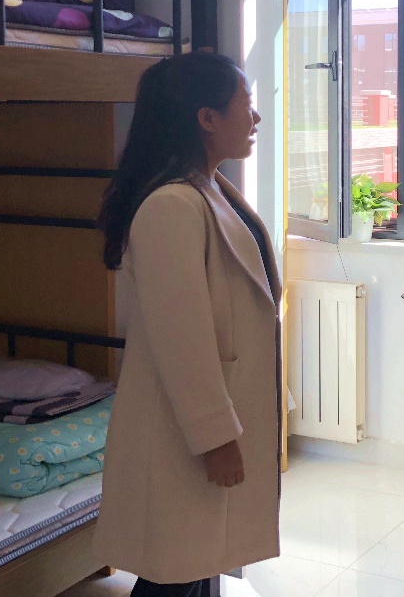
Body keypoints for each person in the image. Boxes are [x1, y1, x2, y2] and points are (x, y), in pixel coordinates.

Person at [95, 52, 282, 597]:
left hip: (210, 421)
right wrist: (215, 437)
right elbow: (182, 340)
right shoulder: (172, 206)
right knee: (173, 574)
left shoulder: (209, 189)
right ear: (207, 118)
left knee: (194, 566)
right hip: (184, 431)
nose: (255, 117)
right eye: (246, 104)